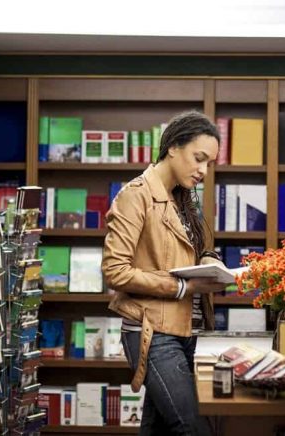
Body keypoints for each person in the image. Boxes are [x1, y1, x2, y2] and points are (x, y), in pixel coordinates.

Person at [102, 110, 226, 435]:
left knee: (161, 430)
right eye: (198, 158)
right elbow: (115, 271)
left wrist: (212, 262)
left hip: (188, 331)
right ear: (173, 146)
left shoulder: (184, 198)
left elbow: (200, 248)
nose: (203, 170)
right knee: (195, 428)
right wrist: (181, 286)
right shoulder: (135, 195)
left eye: (209, 163)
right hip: (153, 332)